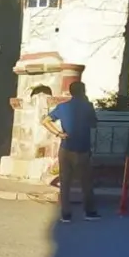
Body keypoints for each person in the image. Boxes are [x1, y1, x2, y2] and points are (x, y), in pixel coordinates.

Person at [42, 81, 99, 222]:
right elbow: (94, 124)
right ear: (83, 91)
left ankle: (66, 214)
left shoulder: (62, 107)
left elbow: (45, 121)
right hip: (83, 148)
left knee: (65, 181)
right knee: (86, 182)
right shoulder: (88, 107)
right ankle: (89, 212)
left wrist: (59, 134)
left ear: (71, 92)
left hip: (66, 147)